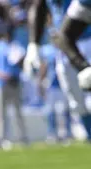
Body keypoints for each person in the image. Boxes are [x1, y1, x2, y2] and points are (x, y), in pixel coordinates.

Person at [25, 0, 91, 141]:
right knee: (77, 103)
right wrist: (33, 44)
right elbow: (38, 6)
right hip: (65, 45)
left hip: (87, 38)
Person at [0, 26, 28, 148]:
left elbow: (22, 63)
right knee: (0, 113)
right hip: (1, 83)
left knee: (17, 111)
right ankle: (1, 138)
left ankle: (22, 137)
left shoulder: (16, 46)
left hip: (14, 82)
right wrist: (3, 75)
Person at [41, 44, 73, 142]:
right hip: (52, 85)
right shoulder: (47, 50)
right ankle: (52, 133)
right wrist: (40, 80)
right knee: (50, 110)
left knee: (65, 110)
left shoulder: (66, 49)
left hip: (64, 84)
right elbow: (44, 66)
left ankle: (67, 132)